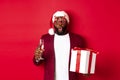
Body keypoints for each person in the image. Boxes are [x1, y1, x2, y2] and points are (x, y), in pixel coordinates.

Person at [33, 11, 86, 80]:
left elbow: (82, 62)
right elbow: (37, 62)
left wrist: (86, 69)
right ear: (53, 23)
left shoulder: (77, 39)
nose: (59, 23)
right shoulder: (45, 38)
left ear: (67, 22)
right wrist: (37, 57)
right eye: (57, 20)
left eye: (62, 20)